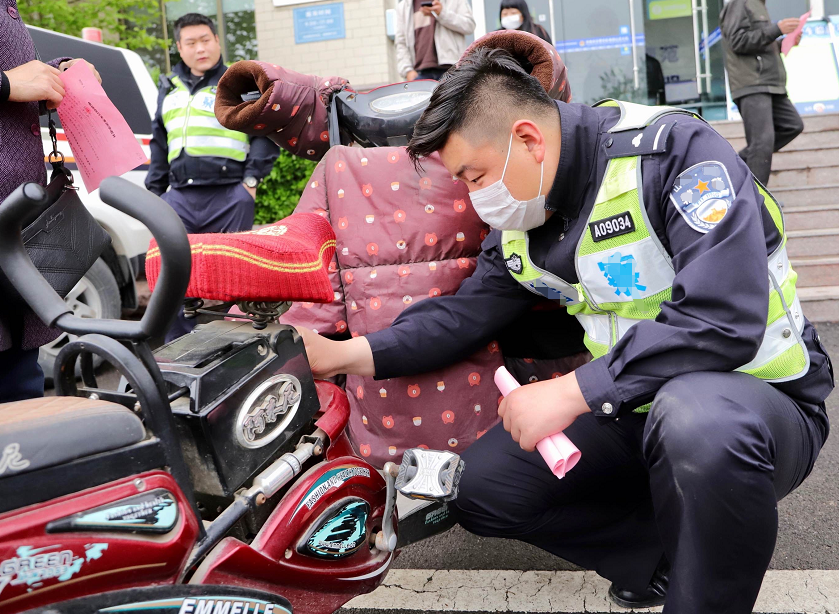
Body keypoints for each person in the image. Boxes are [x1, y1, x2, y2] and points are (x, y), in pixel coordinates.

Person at [298, 48, 833, 613]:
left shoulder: (671, 153)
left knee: (695, 418)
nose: (475, 196)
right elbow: (461, 316)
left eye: (475, 176)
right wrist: (341, 355)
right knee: (483, 487)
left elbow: (721, 318)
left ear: (529, 140)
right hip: (635, 408)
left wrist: (572, 392)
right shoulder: (524, 220)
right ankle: (662, 558)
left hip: (758, 408)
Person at [0, 1, 102, 409]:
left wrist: (58, 75)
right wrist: (2, 83)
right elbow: (5, 80)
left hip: (5, 217)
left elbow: (10, 73)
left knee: (21, 394)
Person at [145, 13, 280, 341]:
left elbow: (264, 133)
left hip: (230, 195)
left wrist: (250, 184)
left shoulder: (239, 85)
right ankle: (177, 351)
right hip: (179, 198)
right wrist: (155, 195)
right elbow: (160, 141)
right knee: (175, 278)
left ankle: (234, 350)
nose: (200, 48)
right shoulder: (169, 87)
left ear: (218, 41)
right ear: (179, 47)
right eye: (190, 42)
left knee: (233, 277)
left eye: (206, 40)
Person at [720, 0, 804, 185]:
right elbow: (737, 41)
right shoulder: (739, 3)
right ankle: (758, 202)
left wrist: (784, 43)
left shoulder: (758, 4)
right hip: (752, 83)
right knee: (762, 143)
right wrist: (777, 29)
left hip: (771, 83)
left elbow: (758, 43)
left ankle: (733, 165)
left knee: (792, 125)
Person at [395, 0, 476, 82]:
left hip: (452, 70)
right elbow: (401, 42)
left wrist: (442, 13)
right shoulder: (404, 6)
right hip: (420, 74)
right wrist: (408, 71)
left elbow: (469, 25)